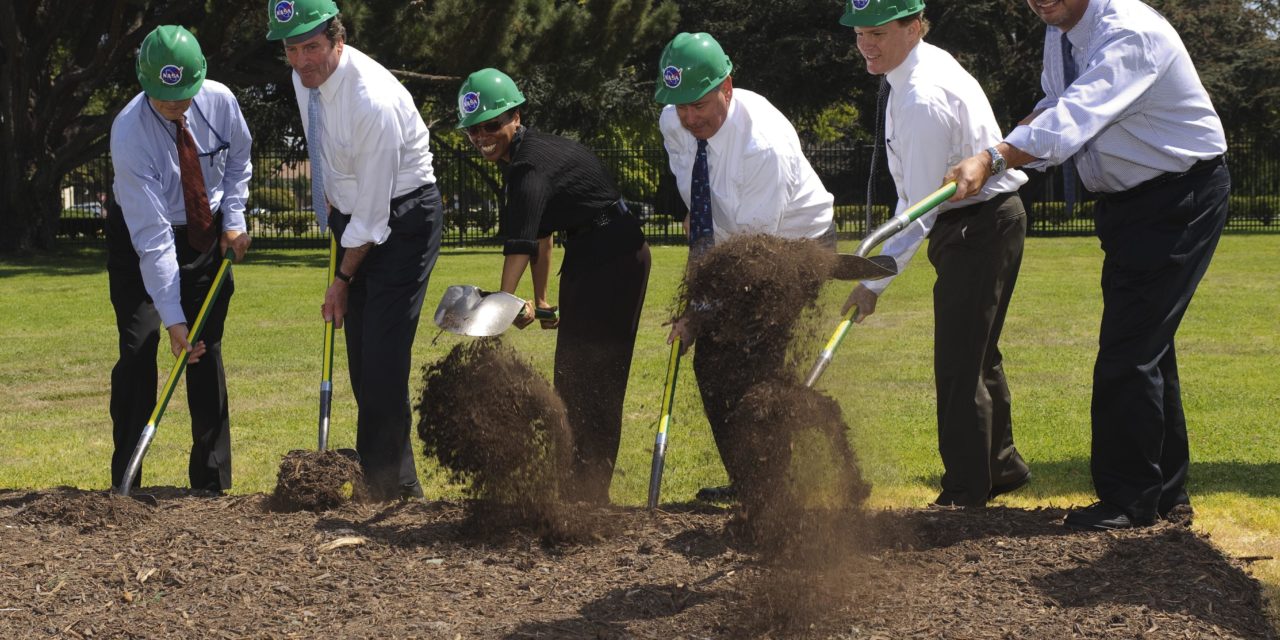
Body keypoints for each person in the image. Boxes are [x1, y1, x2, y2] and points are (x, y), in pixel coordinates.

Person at [945, 0, 1230, 530]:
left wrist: (992, 159)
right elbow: (1055, 102)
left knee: (1128, 352)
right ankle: (1166, 495)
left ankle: (1130, 501)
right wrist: (994, 150)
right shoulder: (1063, 31)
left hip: (1177, 200)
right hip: (1130, 206)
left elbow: (1072, 121)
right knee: (1146, 346)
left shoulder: (1129, 33)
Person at [839, 0, 1032, 508]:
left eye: (878, 32)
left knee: (958, 362)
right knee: (977, 351)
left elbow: (918, 210)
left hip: (977, 226)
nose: (866, 44)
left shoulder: (922, 97)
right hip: (983, 222)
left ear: (914, 27)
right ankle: (1000, 467)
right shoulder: (914, 73)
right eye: (860, 33)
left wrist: (873, 281)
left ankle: (966, 492)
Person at [267, 0, 444, 500]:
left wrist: (341, 280)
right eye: (293, 49)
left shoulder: (373, 101)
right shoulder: (307, 81)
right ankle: (386, 475)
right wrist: (327, 196)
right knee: (363, 357)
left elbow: (373, 219)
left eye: (313, 47)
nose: (303, 60)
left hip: (403, 218)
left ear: (337, 40)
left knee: (384, 355)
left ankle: (392, 491)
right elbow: (322, 144)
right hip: (355, 214)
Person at [654, 32, 837, 502]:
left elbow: (753, 259)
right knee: (714, 365)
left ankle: (774, 490)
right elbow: (696, 196)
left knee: (754, 359)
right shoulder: (674, 122)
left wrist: (699, 311)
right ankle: (751, 482)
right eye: (680, 107)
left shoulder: (762, 148)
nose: (690, 118)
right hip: (730, 245)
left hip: (790, 249)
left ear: (727, 87)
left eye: (698, 104)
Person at [455, 69, 651, 504]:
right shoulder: (524, 159)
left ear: (516, 117)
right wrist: (540, 300)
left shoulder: (529, 167)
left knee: (592, 375)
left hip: (614, 256)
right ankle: (578, 487)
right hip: (590, 250)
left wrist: (502, 305)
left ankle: (588, 494)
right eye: (473, 130)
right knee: (574, 373)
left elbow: (520, 245)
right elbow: (543, 235)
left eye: (492, 125)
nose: (482, 137)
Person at [108, 25, 252, 492]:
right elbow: (152, 240)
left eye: (185, 93)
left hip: (206, 230)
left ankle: (210, 484)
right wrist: (172, 319)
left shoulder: (221, 101)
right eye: (165, 96)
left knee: (205, 348)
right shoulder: (129, 132)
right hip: (142, 236)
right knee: (140, 347)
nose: (177, 104)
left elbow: (239, 159)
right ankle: (126, 487)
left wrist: (234, 217)